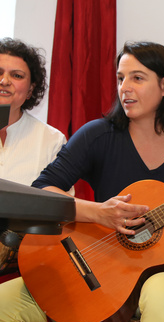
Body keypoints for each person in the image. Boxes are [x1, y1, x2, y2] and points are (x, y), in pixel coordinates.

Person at [0, 41, 164, 322]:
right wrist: (98, 213)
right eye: (121, 78)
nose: (125, 87)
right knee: (2, 305)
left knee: (161, 289)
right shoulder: (97, 135)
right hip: (101, 271)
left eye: (137, 78)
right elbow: (44, 190)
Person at [0, 37, 67, 277]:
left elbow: (61, 213)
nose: (5, 81)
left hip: (25, 259)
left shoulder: (51, 140)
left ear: (30, 89)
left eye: (17, 76)